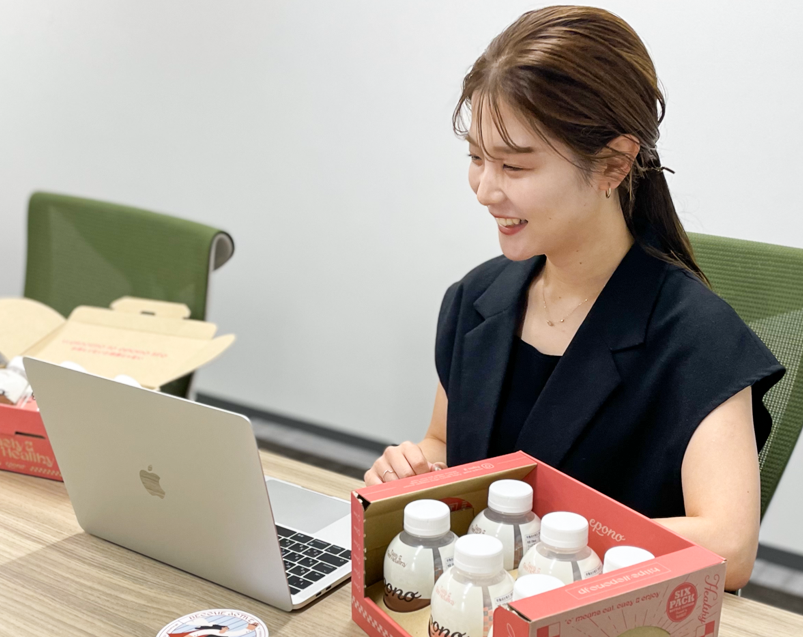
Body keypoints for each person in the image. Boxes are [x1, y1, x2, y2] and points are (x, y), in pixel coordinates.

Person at [364, 6, 784, 591]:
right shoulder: (477, 299)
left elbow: (730, 546)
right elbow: (444, 442)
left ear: (613, 163)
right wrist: (417, 472)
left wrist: (540, 533)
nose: (485, 189)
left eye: (514, 165)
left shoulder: (696, 337)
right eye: (476, 158)